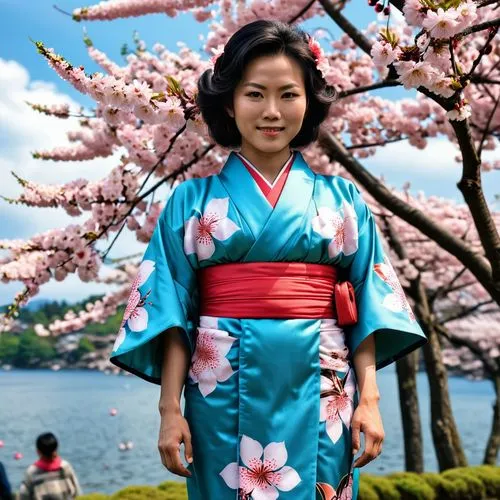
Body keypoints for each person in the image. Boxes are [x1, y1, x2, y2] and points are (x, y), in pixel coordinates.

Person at [109, 19, 427, 499]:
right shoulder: (190, 201)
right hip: (220, 379)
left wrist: (370, 400)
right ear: (230, 102)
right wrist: (169, 411)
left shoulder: (343, 199)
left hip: (325, 386)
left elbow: (369, 303)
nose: (272, 112)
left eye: (288, 94)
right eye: (255, 94)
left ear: (309, 99)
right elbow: (171, 314)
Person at [19, 433, 82, 500]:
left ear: (38, 451)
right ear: (56, 448)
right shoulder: (65, 467)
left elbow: (24, 496)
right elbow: (76, 491)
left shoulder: (31, 473)